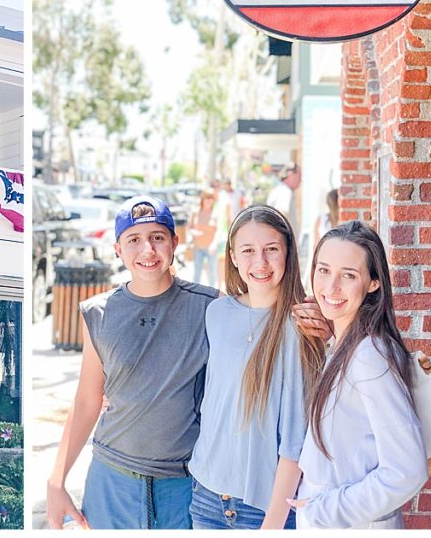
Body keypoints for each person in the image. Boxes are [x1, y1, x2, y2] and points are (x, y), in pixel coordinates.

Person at [46, 195, 219, 530]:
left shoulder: (210, 306)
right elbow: (87, 400)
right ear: (117, 249)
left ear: (174, 242)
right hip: (111, 481)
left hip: (183, 485)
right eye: (134, 240)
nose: (147, 251)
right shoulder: (98, 312)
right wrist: (57, 479)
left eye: (157, 237)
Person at [188, 204, 325, 529]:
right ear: (233, 256)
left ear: (288, 252)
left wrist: (273, 524)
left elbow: (296, 439)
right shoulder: (217, 313)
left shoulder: (301, 324)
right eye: (248, 250)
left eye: (271, 249)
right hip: (206, 498)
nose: (260, 262)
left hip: (265, 509)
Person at [286, 221, 428, 529]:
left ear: (373, 283)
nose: (331, 287)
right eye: (323, 270)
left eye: (348, 275)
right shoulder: (342, 344)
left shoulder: (371, 356)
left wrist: (324, 511)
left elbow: (406, 470)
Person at [187, 190, 219, 287]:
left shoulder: (215, 213)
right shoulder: (195, 212)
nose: (209, 200)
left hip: (211, 248)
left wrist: (214, 244)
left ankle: (213, 296)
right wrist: (194, 232)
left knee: (212, 273)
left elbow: (218, 231)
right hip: (198, 247)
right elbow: (189, 227)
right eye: (207, 198)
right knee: (197, 273)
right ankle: (195, 294)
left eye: (211, 198)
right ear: (203, 199)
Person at [266, 163, 301, 228]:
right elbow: (282, 215)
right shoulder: (285, 191)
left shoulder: (280, 189)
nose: (300, 180)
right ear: (291, 175)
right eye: (299, 176)